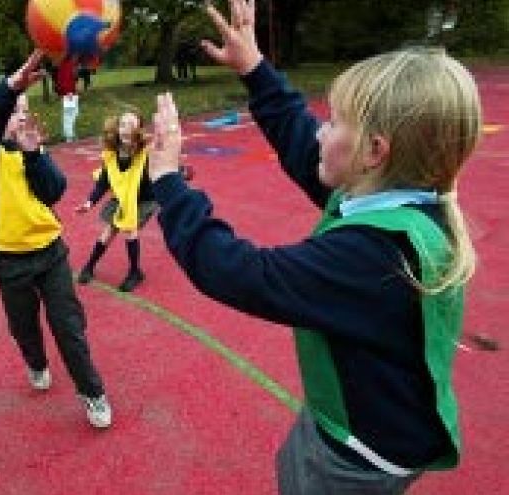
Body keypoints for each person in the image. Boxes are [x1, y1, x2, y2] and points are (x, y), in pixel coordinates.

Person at [146, 1, 483, 493]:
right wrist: (254, 69)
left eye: (335, 122)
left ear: (373, 152)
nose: (320, 129)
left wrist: (168, 182)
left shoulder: (373, 256)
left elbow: (240, 273)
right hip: (371, 420)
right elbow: (307, 148)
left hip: (355, 456)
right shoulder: (398, 197)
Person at [0, 50, 112, 429]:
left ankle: (92, 392)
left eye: (25, 109)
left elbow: (55, 190)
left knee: (68, 327)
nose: (21, 115)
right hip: (9, 261)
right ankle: (36, 361)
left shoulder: (31, 151)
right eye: (15, 110)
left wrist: (34, 156)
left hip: (50, 252)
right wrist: (10, 89)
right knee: (24, 328)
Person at [75, 110, 156, 292]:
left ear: (139, 130)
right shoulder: (111, 154)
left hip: (144, 199)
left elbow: (163, 167)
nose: (127, 128)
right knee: (109, 231)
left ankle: (135, 272)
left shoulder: (145, 153)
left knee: (129, 228)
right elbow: (104, 182)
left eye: (132, 124)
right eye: (123, 124)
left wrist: (181, 172)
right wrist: (89, 202)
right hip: (123, 196)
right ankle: (90, 265)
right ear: (118, 129)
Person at [55, 57, 79, 143]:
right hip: (69, 93)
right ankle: (69, 135)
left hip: (71, 92)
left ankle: (69, 133)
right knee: (69, 113)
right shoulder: (66, 65)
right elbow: (63, 80)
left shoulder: (71, 64)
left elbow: (73, 78)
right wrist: (68, 92)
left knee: (74, 113)